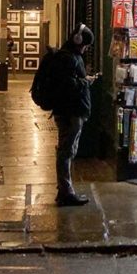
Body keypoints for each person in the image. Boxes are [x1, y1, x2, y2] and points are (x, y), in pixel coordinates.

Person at [49, 23, 98, 206]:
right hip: (71, 112)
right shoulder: (69, 59)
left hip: (68, 110)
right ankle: (66, 192)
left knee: (65, 150)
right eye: (85, 45)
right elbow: (69, 85)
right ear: (78, 41)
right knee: (67, 151)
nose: (85, 48)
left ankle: (64, 189)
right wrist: (85, 82)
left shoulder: (69, 56)